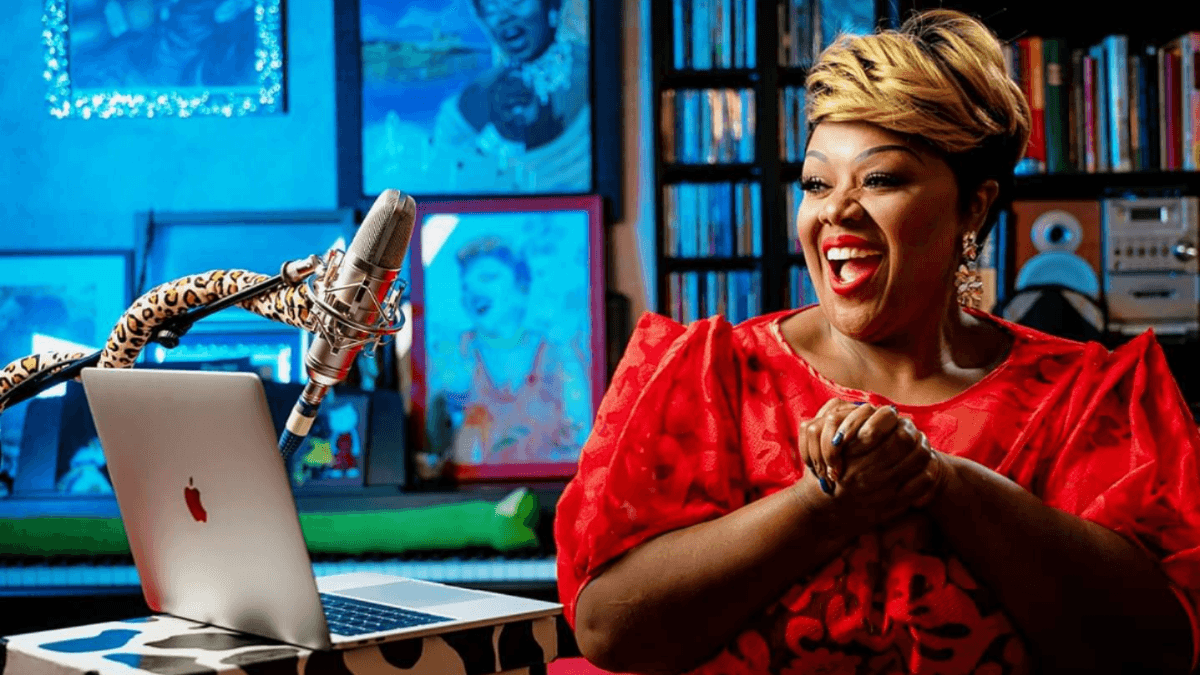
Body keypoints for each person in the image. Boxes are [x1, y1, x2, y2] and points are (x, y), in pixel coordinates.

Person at [555, 10, 1200, 675]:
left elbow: (1157, 649)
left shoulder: (1089, 400)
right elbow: (608, 628)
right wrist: (820, 504)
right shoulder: (711, 373)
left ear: (973, 207)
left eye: (881, 178)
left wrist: (945, 482)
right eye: (815, 182)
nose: (837, 209)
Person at [434, 236, 579, 468]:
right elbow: (438, 453)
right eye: (466, 286)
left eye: (488, 278)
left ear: (522, 287)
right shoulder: (451, 357)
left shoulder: (559, 356)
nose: (474, 293)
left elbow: (584, 442)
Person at [428, 0, 591, 192]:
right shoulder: (466, 106)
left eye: (516, 1)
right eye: (491, 6)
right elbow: (446, 186)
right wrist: (500, 136)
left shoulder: (599, 74)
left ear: (552, 5)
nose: (505, 16)